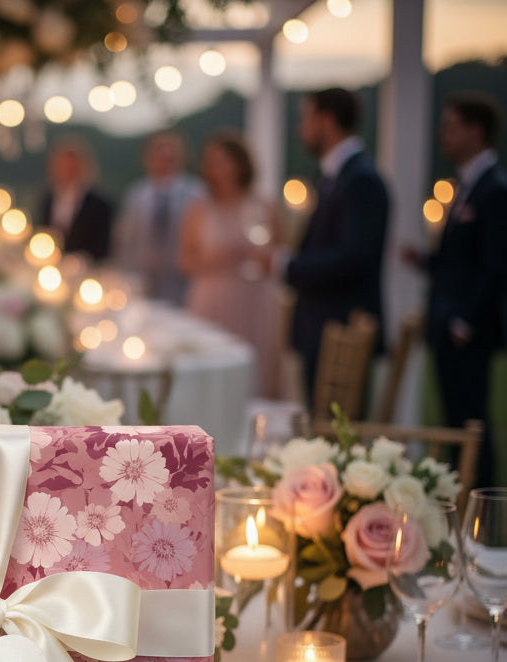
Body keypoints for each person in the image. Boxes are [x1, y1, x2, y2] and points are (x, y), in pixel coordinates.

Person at [403, 91, 507, 488]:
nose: (444, 135)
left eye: (451, 127)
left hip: (468, 332)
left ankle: (481, 504)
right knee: (451, 419)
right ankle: (458, 497)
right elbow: (459, 261)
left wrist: (465, 321)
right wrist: (425, 260)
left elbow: (496, 266)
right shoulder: (463, 187)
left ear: (475, 132)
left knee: (471, 424)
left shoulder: (493, 191)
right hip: (448, 325)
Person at [283, 87, 389, 407]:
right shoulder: (333, 175)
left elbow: (354, 257)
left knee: (338, 440)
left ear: (326, 120)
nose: (301, 128)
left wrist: (285, 265)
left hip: (341, 334)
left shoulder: (360, 180)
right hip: (322, 329)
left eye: (305, 118)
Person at [179, 132, 284, 397]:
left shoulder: (263, 206)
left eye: (226, 161)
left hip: (253, 298)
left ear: (241, 164)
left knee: (254, 368)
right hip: (211, 297)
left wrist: (258, 256)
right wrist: (216, 258)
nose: (220, 168)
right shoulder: (198, 210)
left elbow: (281, 255)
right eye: (214, 162)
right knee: (210, 368)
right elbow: (186, 261)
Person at [113, 131, 204, 303]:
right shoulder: (136, 194)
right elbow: (126, 240)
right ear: (148, 159)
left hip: (182, 281)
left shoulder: (196, 193)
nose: (164, 162)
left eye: (170, 157)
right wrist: (124, 276)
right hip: (142, 279)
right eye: (159, 156)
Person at [35, 137, 113, 263]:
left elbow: (103, 245)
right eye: (62, 165)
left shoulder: (99, 204)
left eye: (71, 166)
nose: (66, 170)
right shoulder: (47, 199)